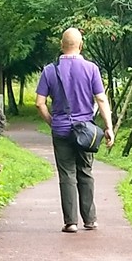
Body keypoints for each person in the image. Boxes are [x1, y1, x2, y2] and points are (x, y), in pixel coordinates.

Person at [35, 27, 115, 233]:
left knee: (66, 174)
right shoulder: (91, 69)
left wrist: (52, 122)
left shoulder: (49, 70)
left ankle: (70, 222)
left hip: (61, 130)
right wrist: (108, 127)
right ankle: (90, 219)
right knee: (85, 172)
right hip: (86, 131)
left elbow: (39, 103)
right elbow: (101, 99)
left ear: (61, 45)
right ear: (81, 45)